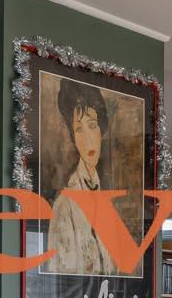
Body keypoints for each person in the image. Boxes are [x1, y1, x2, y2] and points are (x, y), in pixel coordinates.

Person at [44, 78, 131, 277]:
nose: (88, 139)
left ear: (101, 129)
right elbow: (61, 280)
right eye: (79, 130)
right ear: (74, 138)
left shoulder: (107, 201)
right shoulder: (65, 206)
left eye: (92, 126)